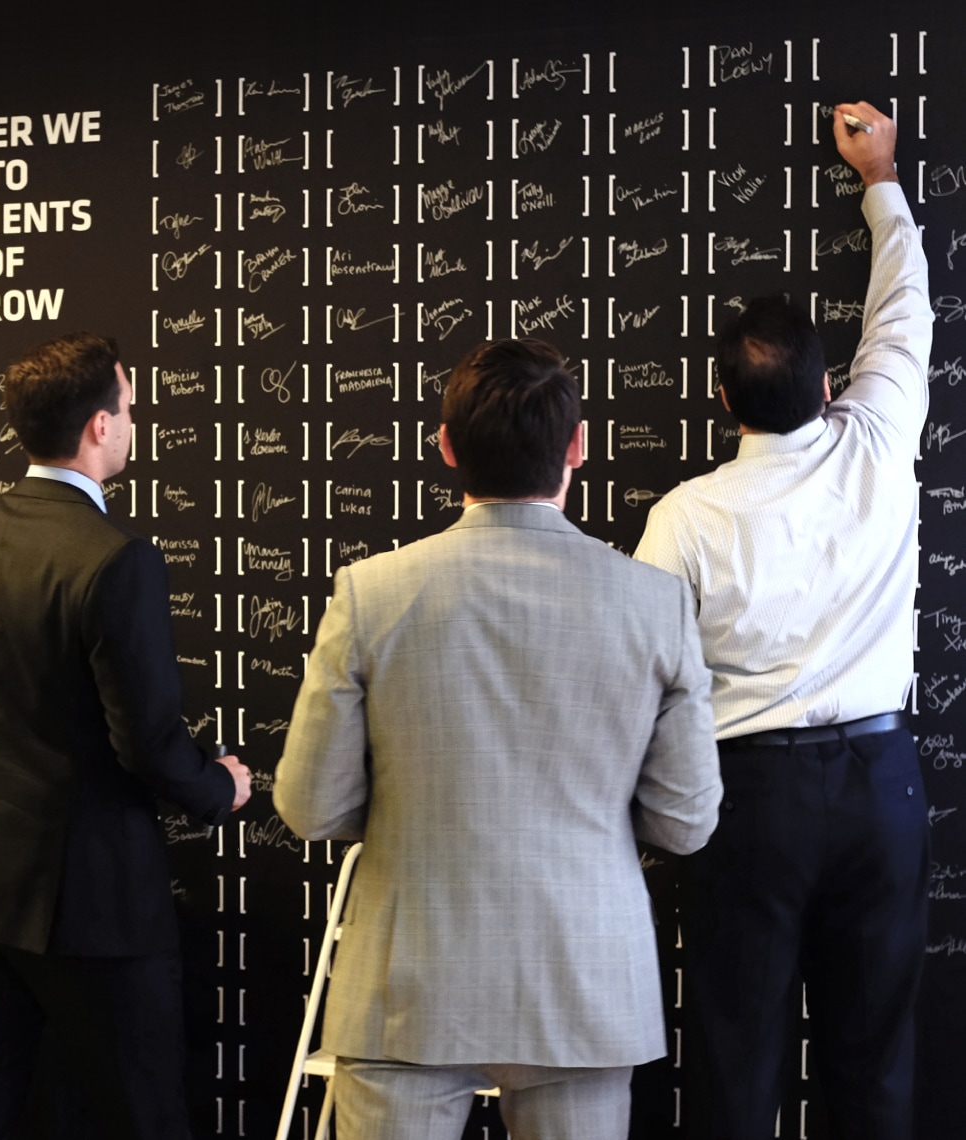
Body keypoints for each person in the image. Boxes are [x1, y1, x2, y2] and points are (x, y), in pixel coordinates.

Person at [273, 337, 723, 1140]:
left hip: (406, 979)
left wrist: (406, 815)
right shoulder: (655, 604)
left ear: (446, 448)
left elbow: (310, 806)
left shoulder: (370, 593)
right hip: (583, 978)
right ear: (578, 446)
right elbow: (685, 821)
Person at [0, 331, 251, 1140]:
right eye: (130, 408)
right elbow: (147, 742)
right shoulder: (116, 558)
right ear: (100, 425)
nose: (134, 422)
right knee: (145, 1117)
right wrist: (220, 785)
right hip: (95, 902)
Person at [634, 101, 932, 1139]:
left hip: (746, 800)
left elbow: (646, 677)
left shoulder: (684, 517)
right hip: (881, 785)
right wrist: (880, 178)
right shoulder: (878, 440)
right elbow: (904, 315)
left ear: (724, 403)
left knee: (734, 1056)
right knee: (875, 1063)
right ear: (831, 384)